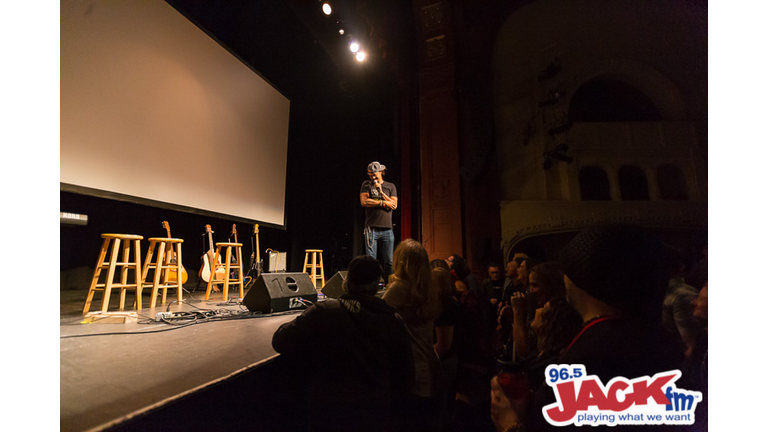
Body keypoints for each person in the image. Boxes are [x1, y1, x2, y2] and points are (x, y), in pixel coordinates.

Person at [526, 223, 685, 431]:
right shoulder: (646, 334)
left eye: (567, 270)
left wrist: (512, 424)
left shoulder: (594, 355)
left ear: (583, 279)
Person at [271, 255, 414, 431]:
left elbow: (280, 340)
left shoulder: (323, 312)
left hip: (329, 416)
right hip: (375, 415)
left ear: (346, 281)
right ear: (378, 284)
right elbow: (406, 375)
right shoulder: (393, 320)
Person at [382, 239, 442, 432]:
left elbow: (377, 314)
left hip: (411, 373)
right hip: (429, 367)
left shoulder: (399, 288)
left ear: (401, 262)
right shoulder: (428, 288)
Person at [360, 161, 398, 280]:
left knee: (389, 261)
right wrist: (382, 203)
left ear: (381, 172)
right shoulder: (366, 185)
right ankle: (372, 284)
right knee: (371, 261)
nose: (373, 177)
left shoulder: (390, 186)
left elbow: (394, 205)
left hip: (387, 229)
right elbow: (364, 202)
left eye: (375, 174)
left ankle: (389, 284)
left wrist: (381, 192)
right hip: (372, 228)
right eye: (370, 175)